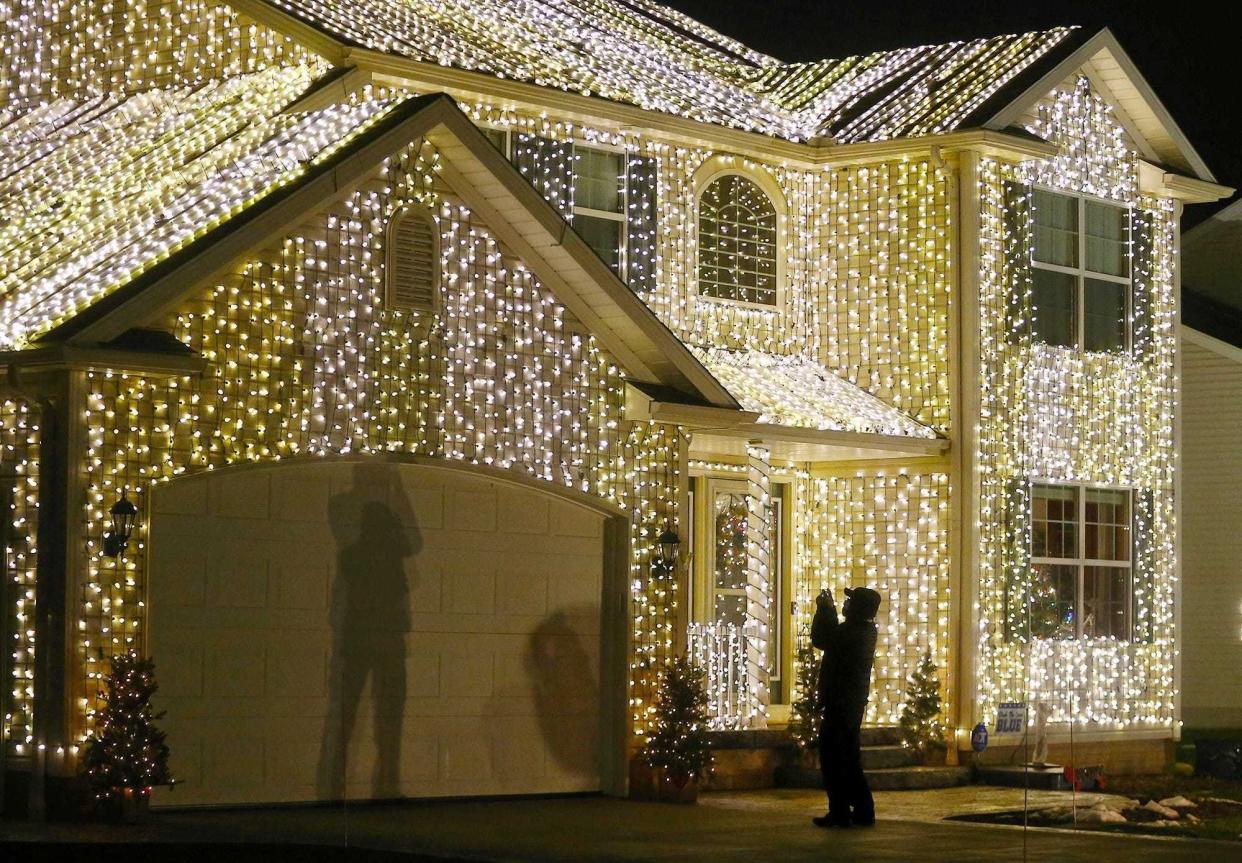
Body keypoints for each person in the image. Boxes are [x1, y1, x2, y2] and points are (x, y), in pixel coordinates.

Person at [811, 585, 881, 828]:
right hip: (847, 702)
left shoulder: (856, 632)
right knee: (846, 758)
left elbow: (822, 638)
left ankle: (847, 810)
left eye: (850, 601)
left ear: (857, 608)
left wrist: (825, 609)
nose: (845, 604)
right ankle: (856, 810)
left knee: (835, 758)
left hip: (842, 703)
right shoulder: (861, 630)